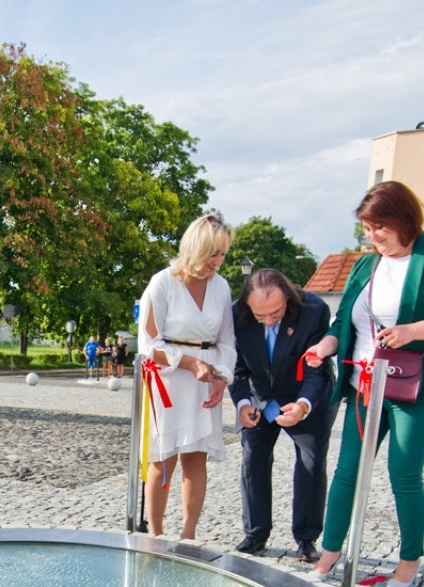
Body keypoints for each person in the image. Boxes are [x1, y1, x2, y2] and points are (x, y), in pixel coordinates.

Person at [306, 181, 424, 587]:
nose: (373, 237)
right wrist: (324, 346)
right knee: (347, 471)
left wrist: (414, 330)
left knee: (403, 473)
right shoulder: (364, 265)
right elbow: (343, 321)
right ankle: (329, 553)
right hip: (365, 384)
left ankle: (408, 561)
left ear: (403, 219)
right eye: (367, 229)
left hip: (415, 388)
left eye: (379, 227)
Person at [136, 212, 236, 541]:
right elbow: (148, 344)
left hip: (205, 380)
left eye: (223, 253)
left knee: (196, 457)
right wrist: (189, 362)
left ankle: (189, 536)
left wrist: (223, 377)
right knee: (163, 459)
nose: (219, 261)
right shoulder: (163, 282)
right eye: (214, 253)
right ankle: (156, 535)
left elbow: (227, 342)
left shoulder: (221, 287)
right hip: (169, 378)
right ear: (195, 247)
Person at [230, 269, 333, 559]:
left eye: (275, 312)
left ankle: (306, 538)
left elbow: (317, 371)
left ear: (287, 296)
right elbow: (236, 368)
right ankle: (255, 534)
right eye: (260, 316)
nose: (269, 321)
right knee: (252, 459)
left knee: (311, 464)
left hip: (305, 396)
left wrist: (302, 405)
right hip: (260, 397)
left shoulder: (314, 311)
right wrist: (242, 404)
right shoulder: (235, 315)